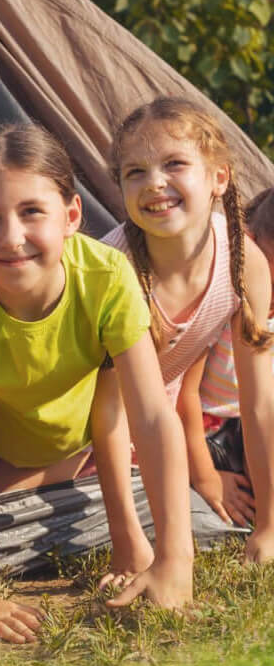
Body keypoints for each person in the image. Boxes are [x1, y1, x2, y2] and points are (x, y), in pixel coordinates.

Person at [0, 124, 195, 644]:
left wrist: (175, 558)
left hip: (76, 444)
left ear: (72, 215)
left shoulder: (107, 276)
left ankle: (128, 537)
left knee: (111, 396)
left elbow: (151, 417)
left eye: (31, 212)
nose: (11, 237)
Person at [104, 100, 274, 561]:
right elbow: (106, 413)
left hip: (164, 431)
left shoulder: (243, 264)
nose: (154, 182)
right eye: (134, 172)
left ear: (220, 177)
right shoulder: (111, 269)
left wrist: (268, 527)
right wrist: (130, 542)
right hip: (86, 428)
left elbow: (259, 404)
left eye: (174, 164)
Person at [176, 188, 274, 527]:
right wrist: (206, 477)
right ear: (248, 244)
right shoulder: (223, 296)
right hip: (202, 434)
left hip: (251, 432)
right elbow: (182, 395)